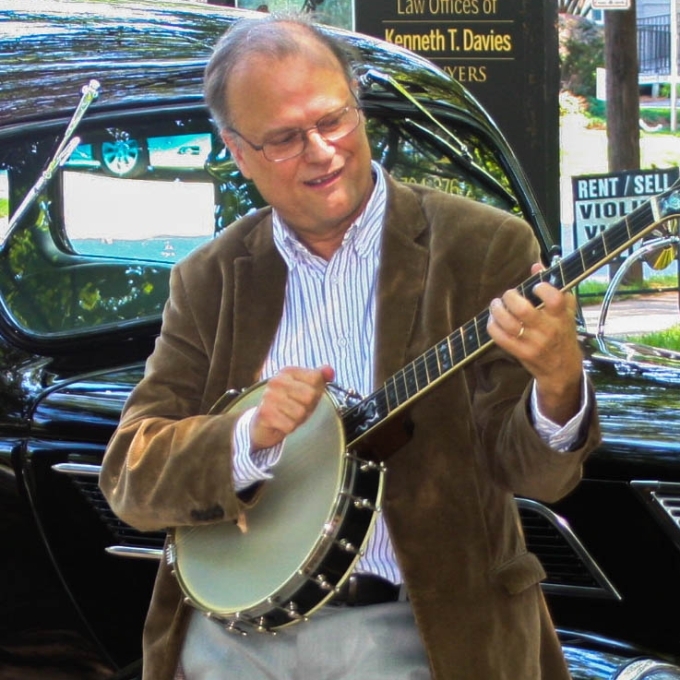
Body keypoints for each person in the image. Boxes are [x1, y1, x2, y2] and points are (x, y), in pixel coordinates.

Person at [99, 12, 600, 680]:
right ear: (238, 151)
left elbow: (535, 474)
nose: (322, 150)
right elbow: (130, 477)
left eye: (334, 119)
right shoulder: (211, 278)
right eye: (284, 137)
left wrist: (558, 383)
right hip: (234, 639)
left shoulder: (482, 247)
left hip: (419, 628)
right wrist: (250, 436)